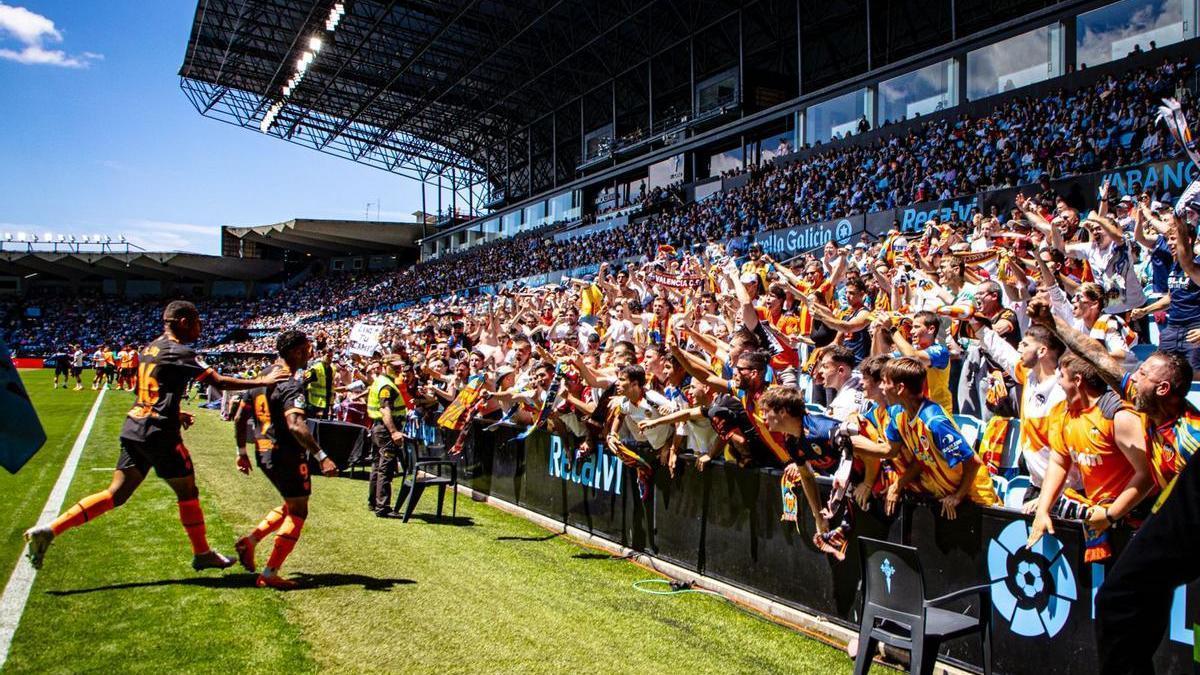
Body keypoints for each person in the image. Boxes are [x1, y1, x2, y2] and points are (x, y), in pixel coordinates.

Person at [23, 301, 289, 570]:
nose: (200, 328)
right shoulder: (179, 351)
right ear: (184, 322)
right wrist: (262, 382)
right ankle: (202, 552)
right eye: (197, 322)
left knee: (116, 494)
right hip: (159, 434)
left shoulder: (150, 348)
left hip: (135, 427)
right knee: (187, 490)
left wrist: (176, 413)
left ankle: (50, 530)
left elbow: (151, 394)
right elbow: (218, 382)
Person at [1027, 294, 1200, 674]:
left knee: (1123, 601)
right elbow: (1098, 358)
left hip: (1190, 530)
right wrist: (1056, 325)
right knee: (1126, 605)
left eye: (1140, 376)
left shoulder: (1191, 438)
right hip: (1171, 533)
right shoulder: (1148, 408)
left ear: (1164, 389)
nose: (1130, 378)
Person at [231, 329, 338, 589]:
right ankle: (270, 572)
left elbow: (238, 417)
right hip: (286, 453)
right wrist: (321, 455)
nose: (310, 353)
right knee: (299, 510)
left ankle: (251, 542)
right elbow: (295, 424)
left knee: (291, 504)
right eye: (307, 349)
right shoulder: (290, 383)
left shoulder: (262, 377)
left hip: (262, 450)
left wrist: (241, 452)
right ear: (295, 352)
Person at [875, 357, 998, 518]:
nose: (881, 387)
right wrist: (898, 484)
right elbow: (920, 457)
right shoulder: (900, 415)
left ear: (900, 388)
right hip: (944, 497)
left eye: (885, 382)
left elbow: (973, 462)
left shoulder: (934, 422)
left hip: (973, 499)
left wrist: (957, 496)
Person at [367, 356, 408, 517]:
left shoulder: (381, 381)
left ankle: (374, 502)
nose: (399, 369)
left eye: (400, 366)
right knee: (385, 467)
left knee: (377, 466)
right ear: (385, 366)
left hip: (378, 428)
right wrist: (394, 432)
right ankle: (382, 507)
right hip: (385, 430)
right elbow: (385, 410)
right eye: (394, 366)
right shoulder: (386, 385)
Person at [303, 347, 337, 419]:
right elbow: (305, 384)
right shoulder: (316, 368)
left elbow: (332, 387)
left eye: (331, 356)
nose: (330, 358)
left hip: (326, 403)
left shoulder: (333, 369)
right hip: (313, 403)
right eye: (328, 356)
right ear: (322, 355)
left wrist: (331, 403)